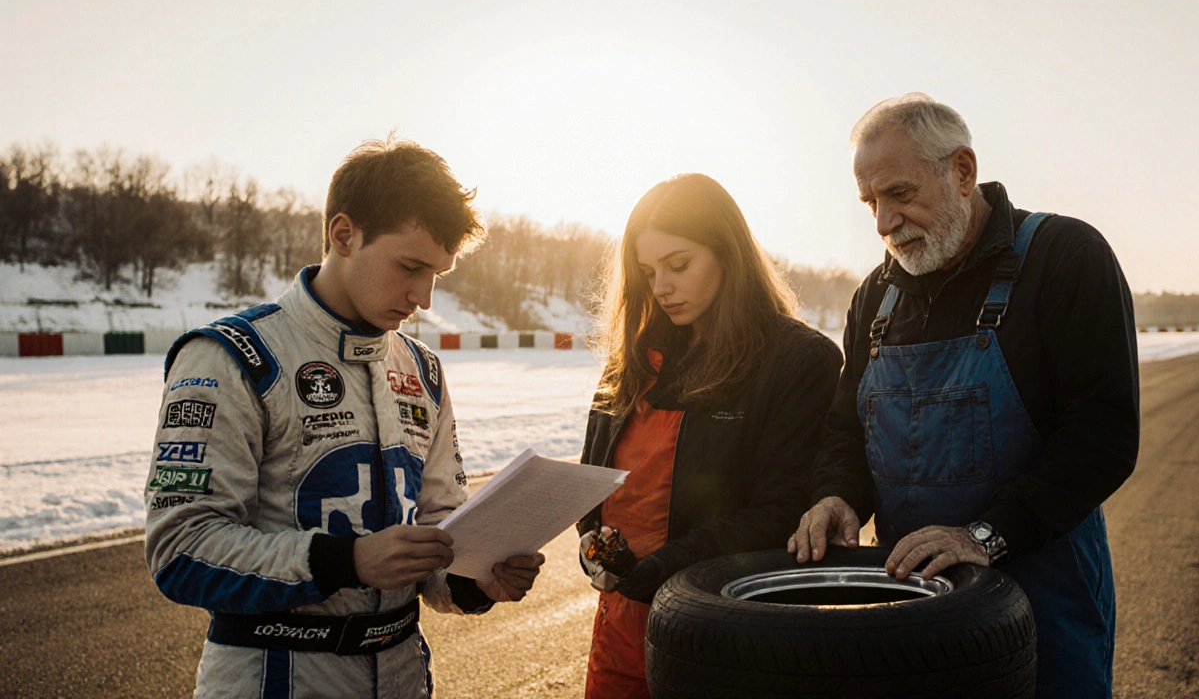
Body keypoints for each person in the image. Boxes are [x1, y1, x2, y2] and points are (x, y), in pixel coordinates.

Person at [144, 138, 545, 698]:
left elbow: (439, 530)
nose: (423, 297)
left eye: (438, 274)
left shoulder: (421, 369)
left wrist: (475, 577)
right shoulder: (232, 356)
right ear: (343, 234)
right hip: (272, 676)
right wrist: (349, 560)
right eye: (410, 266)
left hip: (402, 672)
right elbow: (180, 549)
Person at [789, 94, 1138, 698]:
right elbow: (847, 427)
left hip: (1043, 608)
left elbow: (1101, 437)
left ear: (962, 171)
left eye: (899, 194)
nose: (883, 223)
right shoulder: (876, 297)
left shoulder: (1065, 258)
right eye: (870, 203)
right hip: (912, 605)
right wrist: (837, 494)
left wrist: (983, 534)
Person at [576, 173, 844, 698]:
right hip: (619, 629)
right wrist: (593, 540)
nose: (661, 287)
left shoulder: (797, 361)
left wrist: (661, 568)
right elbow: (593, 482)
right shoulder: (632, 358)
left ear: (729, 255)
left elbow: (782, 511)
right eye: (648, 271)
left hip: (725, 631)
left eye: (678, 266)